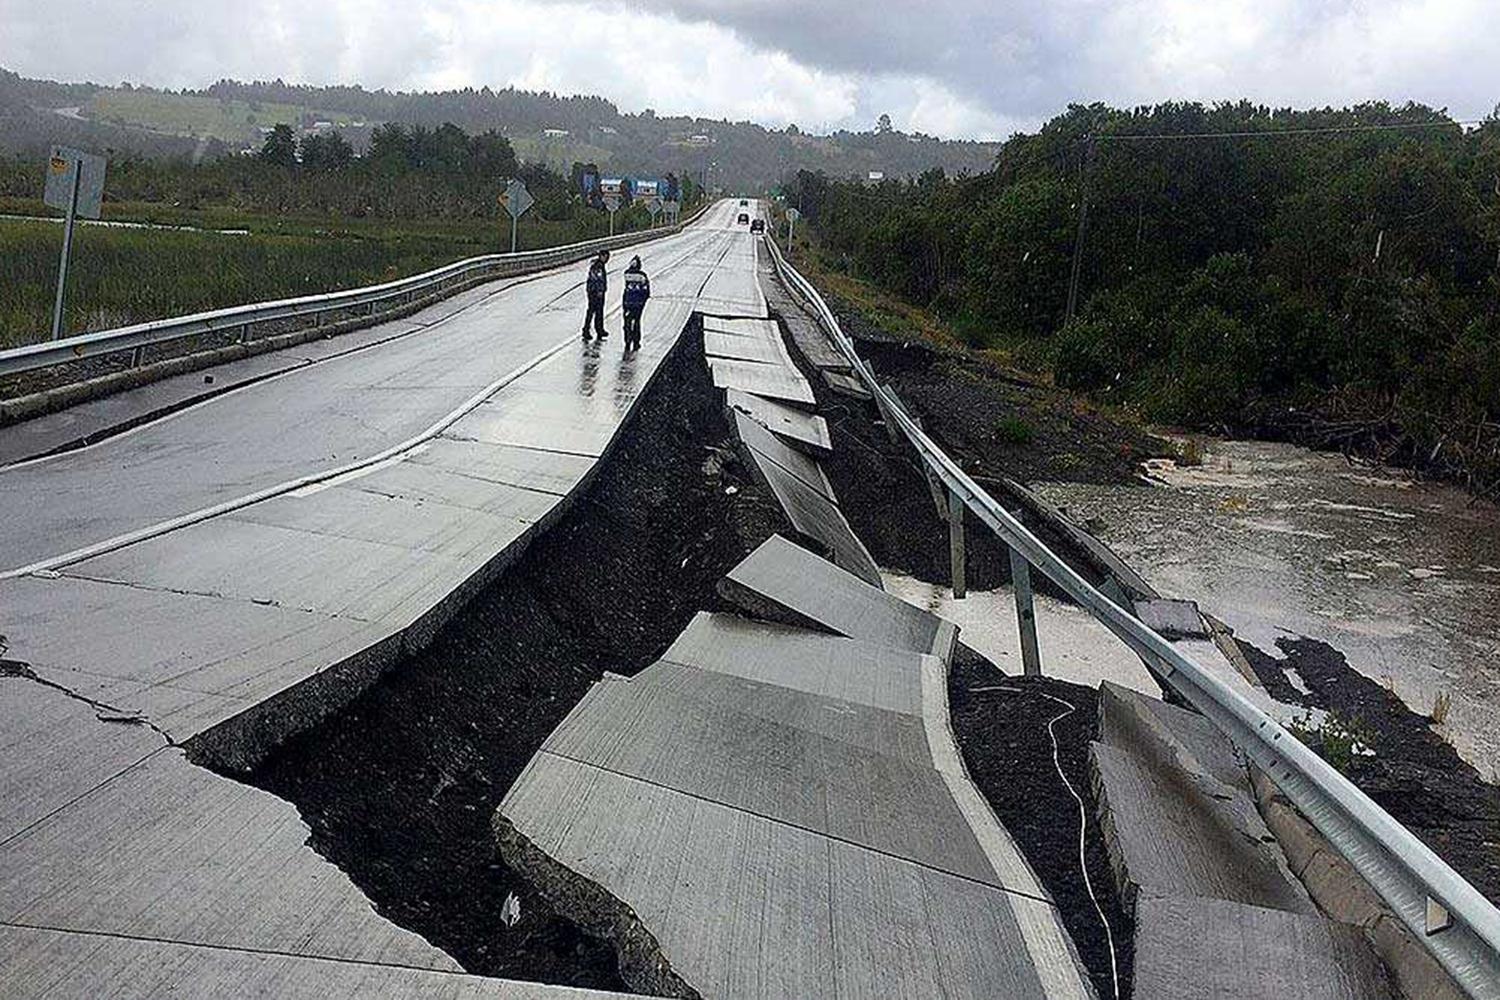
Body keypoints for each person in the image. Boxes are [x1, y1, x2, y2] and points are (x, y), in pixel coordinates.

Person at [621, 255, 651, 352]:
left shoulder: (626, 273)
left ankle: (627, 341)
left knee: (627, 321)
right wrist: (645, 298)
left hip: (627, 301)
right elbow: (646, 289)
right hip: (638, 303)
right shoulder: (642, 275)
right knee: (637, 321)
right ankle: (636, 342)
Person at [582, 250, 609, 341]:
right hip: (595, 292)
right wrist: (600, 290)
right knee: (593, 311)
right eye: (606, 257)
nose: (607, 259)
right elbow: (597, 279)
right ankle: (587, 330)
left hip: (593, 291)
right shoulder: (598, 266)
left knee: (598, 312)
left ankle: (599, 329)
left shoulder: (598, 265)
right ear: (602, 256)